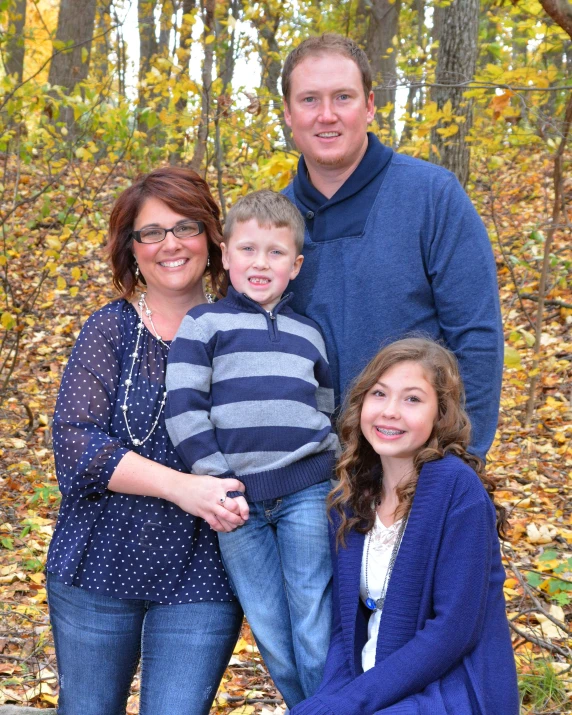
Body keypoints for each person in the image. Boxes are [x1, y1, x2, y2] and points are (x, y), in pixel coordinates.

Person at [46, 167, 249, 715]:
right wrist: (182, 488)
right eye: (151, 232)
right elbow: (75, 445)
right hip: (98, 564)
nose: (170, 245)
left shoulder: (245, 334)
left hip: (202, 571)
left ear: (211, 239)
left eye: (185, 227)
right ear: (131, 249)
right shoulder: (109, 330)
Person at [281, 34, 504, 460]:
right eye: (309, 100)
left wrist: (460, 460)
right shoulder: (270, 226)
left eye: (342, 97)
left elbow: (476, 339)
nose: (326, 115)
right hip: (302, 482)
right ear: (289, 114)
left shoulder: (432, 196)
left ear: (369, 106)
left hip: (416, 466)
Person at [165, 189, 339, 708]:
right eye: (247, 249)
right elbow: (185, 408)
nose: (260, 263)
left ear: (296, 264)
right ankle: (308, 705)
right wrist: (217, 480)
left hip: (307, 487)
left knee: (312, 614)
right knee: (267, 623)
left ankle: (329, 705)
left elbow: (325, 402)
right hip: (234, 502)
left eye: (276, 252)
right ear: (224, 252)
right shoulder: (204, 324)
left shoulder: (309, 332)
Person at [290, 337, 519, 715]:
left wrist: (351, 702)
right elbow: (346, 627)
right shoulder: (351, 496)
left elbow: (452, 632)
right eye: (379, 394)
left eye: (412, 399)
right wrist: (332, 697)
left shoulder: (456, 489)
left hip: (450, 688)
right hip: (375, 687)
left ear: (440, 415)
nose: (390, 411)